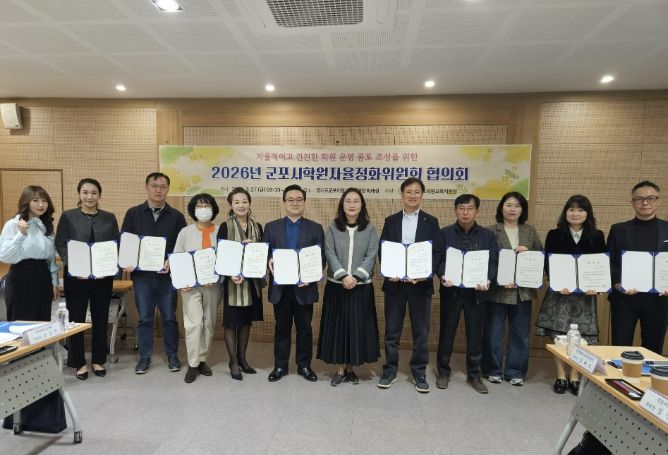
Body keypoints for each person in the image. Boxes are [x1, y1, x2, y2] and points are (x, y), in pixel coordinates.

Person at [1, 185, 65, 433]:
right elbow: (5, 256)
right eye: (36, 200)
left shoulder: (46, 227)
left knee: (39, 338)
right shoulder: (13, 224)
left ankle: (38, 397)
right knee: (22, 339)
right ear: (26, 201)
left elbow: (50, 260)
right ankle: (18, 409)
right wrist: (20, 234)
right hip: (20, 278)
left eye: (44, 200)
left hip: (41, 280)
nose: (40, 204)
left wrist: (54, 283)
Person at [536, 195, 606, 395]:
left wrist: (596, 285)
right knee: (558, 334)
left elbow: (601, 264)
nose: (576, 213)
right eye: (571, 209)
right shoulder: (554, 234)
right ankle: (560, 374)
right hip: (560, 293)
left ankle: (575, 375)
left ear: (588, 214)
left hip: (585, 295)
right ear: (565, 212)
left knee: (581, 336)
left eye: (581, 210)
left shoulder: (597, 235)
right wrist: (557, 282)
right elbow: (548, 262)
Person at [378, 177, 441, 393]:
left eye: (417, 192)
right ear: (402, 195)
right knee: (392, 330)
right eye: (408, 192)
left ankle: (419, 371)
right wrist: (390, 272)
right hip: (395, 285)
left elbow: (437, 252)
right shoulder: (391, 220)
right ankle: (390, 370)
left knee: (421, 332)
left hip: (420, 285)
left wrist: (425, 275)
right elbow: (383, 249)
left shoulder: (431, 221)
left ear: (422, 195)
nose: (412, 195)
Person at [121, 172, 187, 374]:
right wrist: (127, 260)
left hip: (167, 277)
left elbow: (182, 246)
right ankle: (144, 357)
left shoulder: (177, 216)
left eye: (163, 187)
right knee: (145, 318)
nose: (159, 190)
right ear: (146, 187)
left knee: (169, 317)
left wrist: (172, 260)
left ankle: (172, 355)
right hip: (142, 277)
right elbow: (126, 242)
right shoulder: (133, 213)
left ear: (168, 189)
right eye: (154, 186)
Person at [55, 178, 119, 380]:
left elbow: (115, 244)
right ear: (79, 194)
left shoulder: (109, 217)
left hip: (103, 277)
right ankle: (78, 362)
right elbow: (60, 243)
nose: (89, 196)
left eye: (93, 193)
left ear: (99, 195)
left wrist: (110, 265)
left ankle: (98, 360)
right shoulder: (68, 216)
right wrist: (74, 264)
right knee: (76, 319)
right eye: (85, 192)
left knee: (101, 317)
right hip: (76, 277)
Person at [317, 188, 380, 387]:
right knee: (339, 329)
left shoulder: (370, 229)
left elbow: (372, 254)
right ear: (342, 205)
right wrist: (343, 276)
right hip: (337, 286)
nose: (352, 205)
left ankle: (351, 368)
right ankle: (339, 369)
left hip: (361, 287)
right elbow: (329, 252)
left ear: (362, 205)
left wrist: (357, 276)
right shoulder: (333, 228)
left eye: (356, 201)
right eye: (348, 201)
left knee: (356, 328)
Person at [437, 194, 498, 394]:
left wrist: (488, 279)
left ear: (477, 211)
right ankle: (443, 372)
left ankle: (474, 375)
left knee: (475, 335)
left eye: (470, 208)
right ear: (455, 210)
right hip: (451, 291)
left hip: (476, 293)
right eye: (461, 208)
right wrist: (443, 275)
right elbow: (438, 259)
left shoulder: (488, 236)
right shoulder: (444, 233)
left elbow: (493, 262)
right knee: (447, 333)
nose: (465, 212)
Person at [263, 184, 325, 382]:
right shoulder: (271, 227)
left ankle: (304, 366)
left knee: (304, 329)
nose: (295, 203)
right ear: (284, 202)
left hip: (304, 287)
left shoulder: (315, 228)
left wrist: (311, 276)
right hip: (281, 288)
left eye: (299, 199)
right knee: (281, 328)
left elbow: (321, 258)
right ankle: (280, 366)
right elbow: (265, 254)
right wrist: (268, 260)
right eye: (290, 199)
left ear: (304, 202)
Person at [482, 192, 543, 386]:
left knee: (520, 333)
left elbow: (541, 257)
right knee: (494, 332)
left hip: (522, 292)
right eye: (508, 205)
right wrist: (497, 279)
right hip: (497, 291)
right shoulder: (490, 231)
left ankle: (515, 371)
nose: (512, 209)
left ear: (522, 210)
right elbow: (485, 261)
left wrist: (529, 252)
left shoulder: (530, 231)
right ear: (501, 207)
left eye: (517, 205)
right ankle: (492, 369)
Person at [607, 180, 668, 354]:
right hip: (625, 298)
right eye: (639, 199)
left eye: (650, 198)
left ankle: (649, 373)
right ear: (632, 202)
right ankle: (618, 373)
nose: (645, 202)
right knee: (620, 346)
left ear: (658, 201)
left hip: (659, 300)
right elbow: (609, 261)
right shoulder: (618, 229)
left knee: (653, 348)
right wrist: (617, 284)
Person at [218, 188, 265, 381]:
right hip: (233, 282)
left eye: (244, 201)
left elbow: (262, 253)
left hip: (252, 283)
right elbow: (220, 255)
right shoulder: (225, 226)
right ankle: (233, 362)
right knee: (231, 323)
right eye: (236, 202)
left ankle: (243, 359)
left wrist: (254, 247)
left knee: (246, 322)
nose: (241, 205)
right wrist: (231, 275)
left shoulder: (258, 226)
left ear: (249, 203)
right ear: (231, 205)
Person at [174, 193, 222, 383]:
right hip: (190, 287)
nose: (203, 209)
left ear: (213, 209)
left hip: (213, 286)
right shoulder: (185, 232)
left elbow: (227, 258)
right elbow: (178, 258)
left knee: (208, 323)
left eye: (207, 206)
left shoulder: (221, 231)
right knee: (194, 324)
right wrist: (183, 281)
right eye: (199, 206)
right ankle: (193, 364)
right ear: (193, 210)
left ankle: (203, 359)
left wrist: (217, 276)